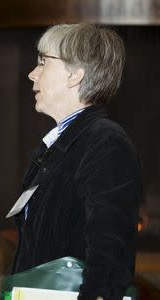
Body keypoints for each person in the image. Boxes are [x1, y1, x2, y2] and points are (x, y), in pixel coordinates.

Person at [11, 24, 141, 300]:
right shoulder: (59, 144)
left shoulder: (105, 143)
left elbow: (109, 257)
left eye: (43, 62)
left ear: (74, 75)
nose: (32, 73)